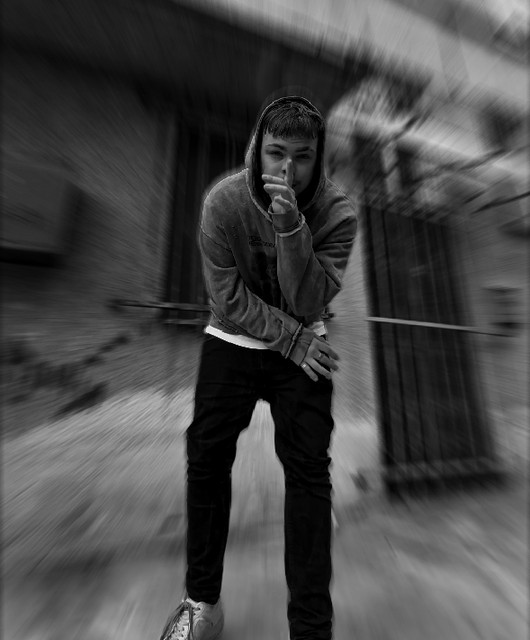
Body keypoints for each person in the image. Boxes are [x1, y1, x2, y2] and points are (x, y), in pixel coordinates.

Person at [159, 95, 357, 640]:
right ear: (257, 149)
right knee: (206, 455)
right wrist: (289, 339)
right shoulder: (222, 203)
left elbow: (308, 298)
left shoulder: (338, 214)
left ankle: (311, 627)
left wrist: (291, 228)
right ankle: (202, 603)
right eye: (276, 152)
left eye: (302, 156)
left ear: (318, 157)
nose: (287, 170)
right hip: (235, 338)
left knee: (310, 473)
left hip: (307, 342)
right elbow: (226, 298)